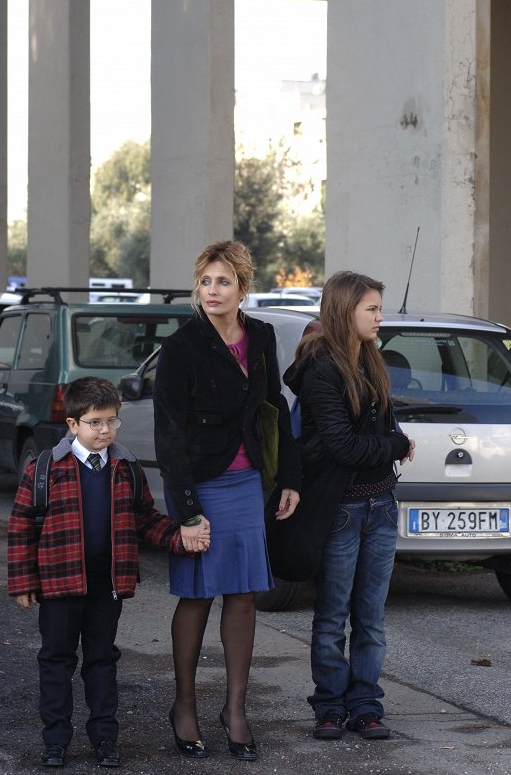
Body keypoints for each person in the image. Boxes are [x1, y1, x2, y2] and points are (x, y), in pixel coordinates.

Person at [7, 376, 209, 770]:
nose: (105, 430)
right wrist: (23, 582)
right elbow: (21, 526)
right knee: (56, 660)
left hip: (107, 585)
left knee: (102, 659)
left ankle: (104, 738)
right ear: (72, 424)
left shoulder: (125, 467)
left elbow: (144, 519)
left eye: (111, 421)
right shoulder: (45, 469)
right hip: (59, 584)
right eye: (95, 422)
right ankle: (56, 740)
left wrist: (179, 536)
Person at [153, 240, 301, 761]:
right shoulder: (182, 346)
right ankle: (185, 706)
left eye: (223, 282)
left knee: (242, 595)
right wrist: (187, 509)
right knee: (196, 594)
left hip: (247, 485)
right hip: (200, 485)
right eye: (206, 281)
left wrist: (288, 477)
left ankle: (236, 711)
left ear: (243, 287)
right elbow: (168, 433)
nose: (212, 291)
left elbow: (274, 406)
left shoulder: (259, 336)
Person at [283, 271, 415, 742]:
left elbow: (373, 435)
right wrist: (397, 445)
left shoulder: (371, 360)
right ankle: (330, 706)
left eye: (380, 308)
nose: (381, 317)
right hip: (341, 509)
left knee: (372, 617)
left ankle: (365, 705)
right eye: (372, 309)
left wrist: (387, 443)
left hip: (381, 506)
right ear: (345, 311)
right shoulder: (322, 367)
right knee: (333, 614)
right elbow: (342, 445)